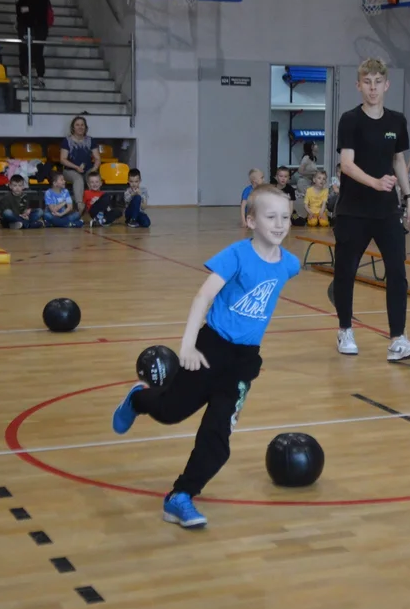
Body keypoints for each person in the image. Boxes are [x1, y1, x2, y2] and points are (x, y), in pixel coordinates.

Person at [111, 184, 301, 528]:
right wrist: (187, 344)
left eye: (285, 217)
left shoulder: (290, 264)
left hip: (244, 362)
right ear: (250, 220)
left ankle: (180, 496)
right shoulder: (236, 255)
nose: (279, 224)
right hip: (210, 347)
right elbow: (203, 296)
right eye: (270, 216)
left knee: (217, 437)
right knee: (171, 412)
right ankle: (139, 399)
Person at [333, 57, 410, 362]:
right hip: (353, 211)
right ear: (359, 86)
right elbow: (346, 164)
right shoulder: (350, 120)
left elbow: (398, 160)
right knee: (345, 272)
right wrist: (373, 182)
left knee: (397, 272)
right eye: (367, 82)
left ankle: (398, 338)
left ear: (387, 85)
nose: (373, 88)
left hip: (386, 211)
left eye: (377, 82)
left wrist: (409, 197)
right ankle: (345, 329)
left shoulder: (397, 121)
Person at [15, 0, 51, 89]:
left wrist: (29, 9)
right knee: (23, 50)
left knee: (37, 51)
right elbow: (19, 5)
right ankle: (24, 76)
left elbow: (43, 6)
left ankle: (40, 77)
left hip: (38, 25)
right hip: (24, 24)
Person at [60, 116, 101, 206]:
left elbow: (97, 158)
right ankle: (79, 205)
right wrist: (76, 167)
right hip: (70, 170)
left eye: (82, 125)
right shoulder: (67, 141)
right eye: (77, 125)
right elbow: (62, 159)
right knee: (78, 179)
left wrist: (94, 168)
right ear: (73, 127)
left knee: (94, 178)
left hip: (88, 169)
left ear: (85, 127)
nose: (80, 127)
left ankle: (95, 203)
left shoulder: (91, 140)